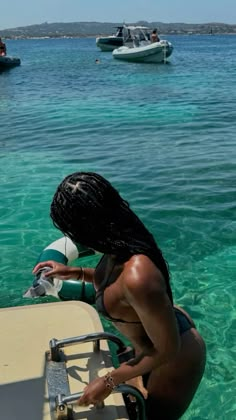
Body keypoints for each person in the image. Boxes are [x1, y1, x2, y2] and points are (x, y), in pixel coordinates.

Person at [33, 172, 206, 420]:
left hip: (173, 357)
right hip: (154, 339)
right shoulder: (119, 248)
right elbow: (117, 285)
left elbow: (167, 349)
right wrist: (74, 272)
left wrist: (109, 381)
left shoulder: (138, 274)